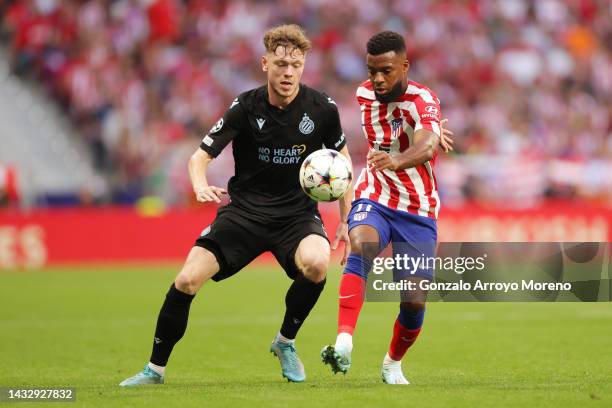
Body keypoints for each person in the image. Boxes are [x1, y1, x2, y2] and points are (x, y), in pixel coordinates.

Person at [119, 24, 353, 386]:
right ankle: (154, 370)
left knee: (318, 264)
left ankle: (285, 343)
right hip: (244, 213)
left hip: (296, 217)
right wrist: (200, 186)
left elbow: (342, 164)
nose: (288, 72)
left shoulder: (322, 109)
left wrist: (345, 219)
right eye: (280, 64)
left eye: (295, 64)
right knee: (186, 279)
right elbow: (199, 158)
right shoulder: (245, 107)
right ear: (265, 63)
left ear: (304, 65)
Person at [321, 31, 452, 384]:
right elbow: (411, 132)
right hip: (374, 194)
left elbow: (425, 147)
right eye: (372, 70)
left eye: (387, 71)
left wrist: (407, 152)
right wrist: (425, 136)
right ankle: (344, 340)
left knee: (413, 301)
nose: (378, 79)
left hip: (417, 207)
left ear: (405, 66)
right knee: (360, 244)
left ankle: (393, 362)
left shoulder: (423, 99)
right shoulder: (363, 94)